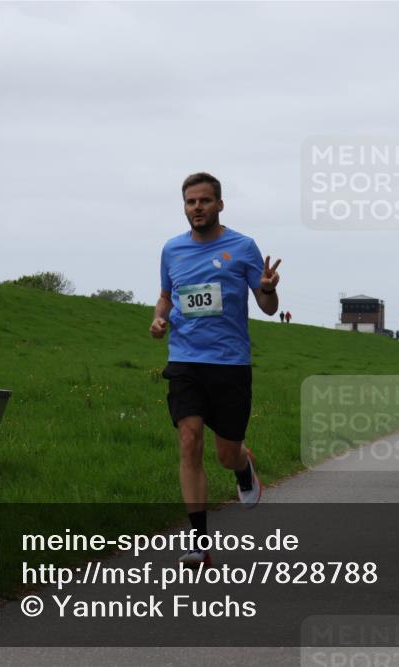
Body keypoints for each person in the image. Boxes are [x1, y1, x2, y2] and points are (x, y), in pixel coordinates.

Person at [151, 172, 281, 568]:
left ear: (220, 204)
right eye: (191, 202)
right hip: (185, 360)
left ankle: (243, 466)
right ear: (184, 207)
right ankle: (199, 543)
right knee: (189, 439)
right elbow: (165, 296)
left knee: (226, 454)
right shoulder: (172, 249)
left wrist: (268, 287)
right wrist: (158, 318)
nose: (197, 208)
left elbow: (268, 308)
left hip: (229, 363)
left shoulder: (242, 247)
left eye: (205, 201)